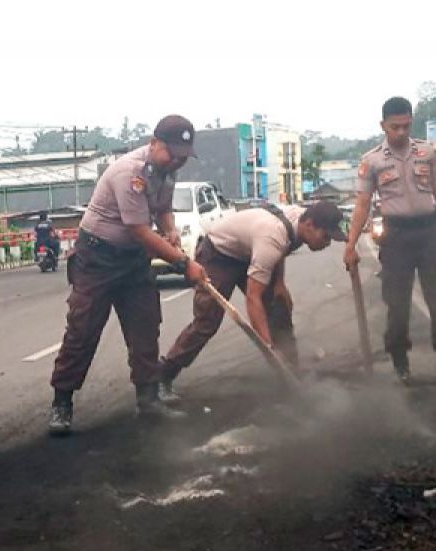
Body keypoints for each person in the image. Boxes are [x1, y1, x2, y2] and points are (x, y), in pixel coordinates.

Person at [48, 115, 207, 436]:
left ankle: (148, 400)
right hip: (98, 257)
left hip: (133, 261)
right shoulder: (129, 172)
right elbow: (137, 229)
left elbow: (162, 208)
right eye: (172, 153)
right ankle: (61, 403)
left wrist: (171, 231)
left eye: (183, 156)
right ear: (154, 143)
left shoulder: (166, 171)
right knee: (83, 330)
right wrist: (182, 262)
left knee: (145, 325)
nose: (177, 161)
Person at [158, 200, 348, 397]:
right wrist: (269, 347)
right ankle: (163, 373)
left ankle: (289, 372)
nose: (327, 244)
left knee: (278, 304)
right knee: (208, 321)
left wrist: (279, 283)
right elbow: (253, 297)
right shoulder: (273, 237)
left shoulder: (300, 220)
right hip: (219, 254)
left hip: (251, 251)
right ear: (309, 225)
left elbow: (283, 247)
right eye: (326, 237)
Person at [343, 97, 436, 384]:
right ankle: (401, 365)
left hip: (429, 233)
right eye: (395, 127)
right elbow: (362, 204)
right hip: (395, 237)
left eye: (406, 126)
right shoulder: (371, 161)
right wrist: (350, 245)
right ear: (383, 126)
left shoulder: (427, 152)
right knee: (397, 304)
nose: (401, 132)